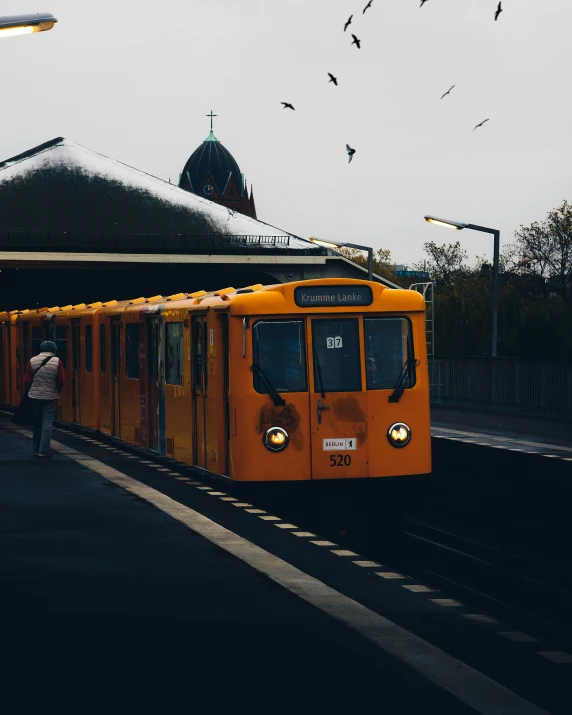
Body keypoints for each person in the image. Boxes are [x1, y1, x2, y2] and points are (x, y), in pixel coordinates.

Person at [24, 340, 65, 458]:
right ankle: (44, 450)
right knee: (47, 422)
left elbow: (27, 379)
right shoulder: (57, 361)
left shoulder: (32, 360)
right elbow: (61, 380)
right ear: (53, 350)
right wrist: (57, 391)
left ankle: (36, 448)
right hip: (51, 396)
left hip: (34, 396)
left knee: (37, 422)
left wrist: (29, 391)